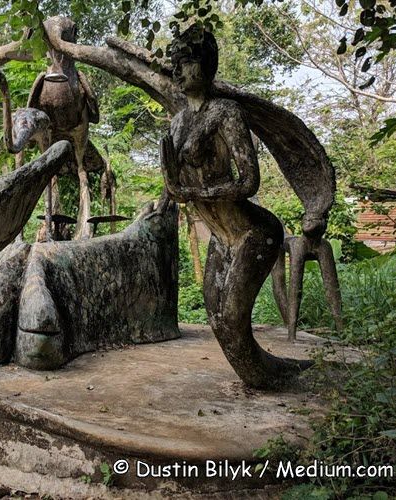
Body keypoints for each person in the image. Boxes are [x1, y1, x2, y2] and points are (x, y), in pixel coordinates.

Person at [161, 27, 310, 389]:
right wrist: (173, 182)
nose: (178, 71)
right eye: (174, 64)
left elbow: (249, 182)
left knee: (231, 319)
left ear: (206, 66)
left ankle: (274, 377)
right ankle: (268, 373)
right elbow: (178, 189)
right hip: (220, 236)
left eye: (186, 62)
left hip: (253, 233)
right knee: (217, 321)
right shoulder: (178, 122)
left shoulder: (226, 112)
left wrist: (201, 193)